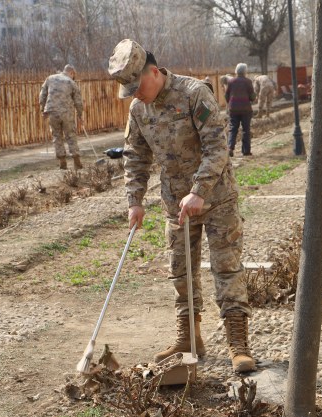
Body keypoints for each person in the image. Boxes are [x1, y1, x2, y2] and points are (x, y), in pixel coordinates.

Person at [108, 39, 255, 373]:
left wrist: (200, 190)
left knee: (226, 268)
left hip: (217, 198)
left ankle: (238, 343)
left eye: (137, 86)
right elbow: (136, 156)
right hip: (176, 203)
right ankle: (189, 337)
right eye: (128, 90)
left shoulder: (193, 94)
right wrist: (135, 202)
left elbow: (218, 146)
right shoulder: (138, 109)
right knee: (180, 271)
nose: (135, 94)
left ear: (154, 72)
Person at [39, 64, 84, 170]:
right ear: (71, 73)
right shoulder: (71, 82)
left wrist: (42, 110)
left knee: (57, 136)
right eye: (74, 75)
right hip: (66, 113)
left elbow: (42, 95)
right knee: (71, 135)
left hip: (52, 112)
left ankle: (62, 162)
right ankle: (76, 161)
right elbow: (78, 101)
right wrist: (80, 114)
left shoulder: (50, 78)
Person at [226, 63, 256, 157]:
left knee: (232, 128)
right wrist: (252, 99)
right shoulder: (248, 81)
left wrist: (230, 103)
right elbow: (252, 96)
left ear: (236, 71)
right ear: (245, 71)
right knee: (246, 129)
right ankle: (246, 151)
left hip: (233, 109)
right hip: (245, 109)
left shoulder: (231, 81)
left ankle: (230, 148)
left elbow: (227, 95)